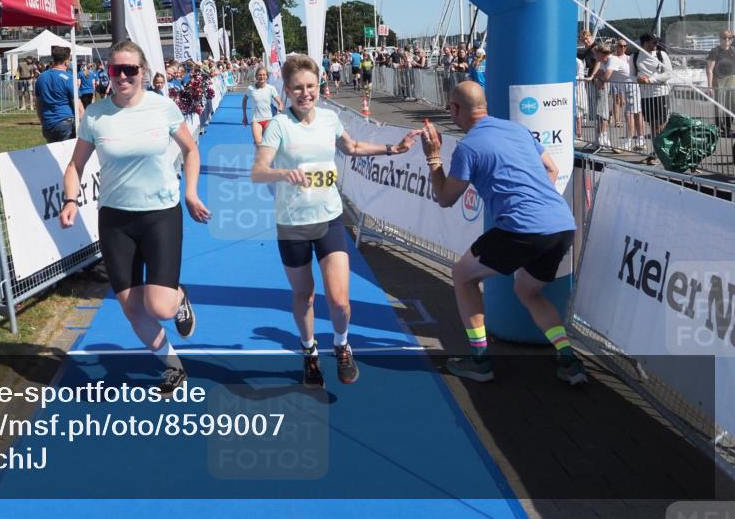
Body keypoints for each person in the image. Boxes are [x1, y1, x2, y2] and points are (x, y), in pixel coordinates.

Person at [251, 55, 419, 388]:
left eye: (310, 86)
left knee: (340, 300)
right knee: (306, 296)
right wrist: (284, 172)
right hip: (293, 224)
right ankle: (309, 350)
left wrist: (393, 148)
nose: (305, 93)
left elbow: (352, 146)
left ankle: (342, 345)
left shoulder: (330, 119)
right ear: (286, 90)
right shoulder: (279, 126)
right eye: (297, 88)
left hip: (329, 218)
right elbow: (258, 171)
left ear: (319, 86)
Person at [59, 40, 211, 395]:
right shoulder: (95, 115)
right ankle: (172, 365)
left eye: (130, 70)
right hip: (115, 219)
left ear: (142, 72)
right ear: (108, 72)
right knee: (130, 307)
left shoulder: (163, 107)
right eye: (116, 70)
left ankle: (178, 298)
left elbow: (191, 150)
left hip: (160, 214)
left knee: (158, 305)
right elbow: (75, 165)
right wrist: (70, 199)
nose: (123, 76)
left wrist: (190, 192)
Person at [419, 81, 586, 386]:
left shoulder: (468, 147)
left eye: (449, 108)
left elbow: (445, 198)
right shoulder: (517, 130)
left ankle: (481, 360)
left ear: (456, 109)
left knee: (462, 276)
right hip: (560, 224)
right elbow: (550, 168)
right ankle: (568, 359)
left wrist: (433, 157)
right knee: (527, 291)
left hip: (522, 228)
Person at [34, 45, 83, 143]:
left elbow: (38, 103)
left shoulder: (41, 78)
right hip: (65, 122)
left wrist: (42, 120)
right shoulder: (69, 78)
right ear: (66, 61)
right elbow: (78, 107)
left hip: (48, 123)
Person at [635, 33, 673, 149]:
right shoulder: (635, 56)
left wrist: (650, 79)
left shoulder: (661, 55)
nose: (657, 44)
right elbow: (631, 75)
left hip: (661, 93)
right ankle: (656, 150)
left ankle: (664, 150)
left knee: (662, 124)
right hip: (645, 95)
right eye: (654, 42)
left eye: (657, 41)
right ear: (645, 43)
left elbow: (668, 73)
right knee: (652, 125)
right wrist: (638, 79)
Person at [242, 66, 283, 146]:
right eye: (260, 75)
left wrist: (279, 110)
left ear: (267, 76)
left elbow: (280, 104)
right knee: (258, 143)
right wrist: (244, 116)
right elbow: (244, 100)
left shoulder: (271, 88)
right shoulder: (250, 88)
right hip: (256, 120)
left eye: (264, 75)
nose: (262, 77)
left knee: (268, 144)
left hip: (268, 119)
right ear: (256, 76)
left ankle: (266, 158)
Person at [707, 29, 735, 136]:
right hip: (719, 80)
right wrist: (709, 86)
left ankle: (727, 127)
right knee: (719, 105)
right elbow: (709, 70)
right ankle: (719, 126)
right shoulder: (715, 51)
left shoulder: (733, 50)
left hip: (732, 79)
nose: (727, 40)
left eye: (729, 38)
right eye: (724, 38)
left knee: (731, 105)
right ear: (720, 39)